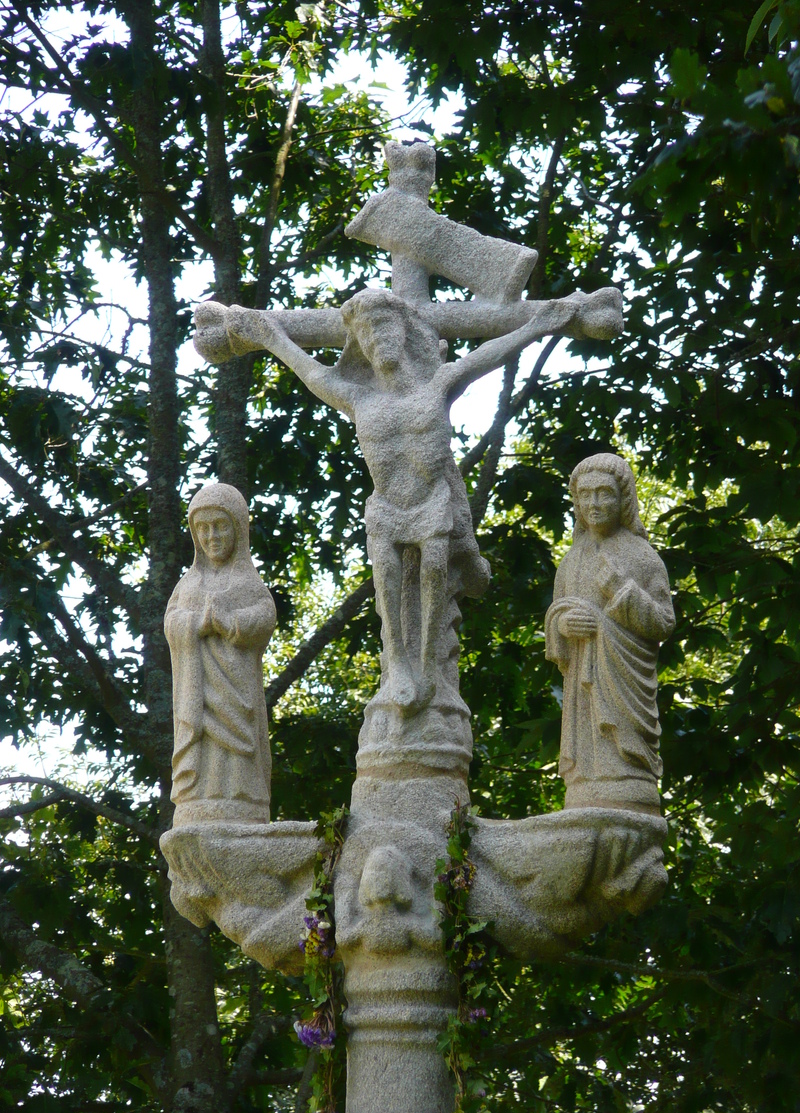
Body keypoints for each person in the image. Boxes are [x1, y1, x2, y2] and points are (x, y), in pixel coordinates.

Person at [202, 285, 620, 714]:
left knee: (435, 569)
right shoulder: (358, 397)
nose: (377, 338)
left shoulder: (437, 384)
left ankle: (426, 668)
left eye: (384, 326)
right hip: (387, 509)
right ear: (358, 344)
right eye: (366, 332)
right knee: (387, 579)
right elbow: (310, 372)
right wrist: (269, 336)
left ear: (404, 332)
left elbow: (488, 354)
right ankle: (399, 663)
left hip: (430, 503)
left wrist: (538, 324)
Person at [545, 454, 675, 814]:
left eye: (604, 494)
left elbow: (664, 621)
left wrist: (622, 591)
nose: (594, 504)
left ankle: (628, 776)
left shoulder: (642, 556)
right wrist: (562, 625)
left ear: (624, 499)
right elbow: (557, 614)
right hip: (581, 688)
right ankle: (585, 782)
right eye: (585, 496)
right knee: (586, 773)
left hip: (625, 685)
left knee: (624, 772)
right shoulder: (571, 561)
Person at [165, 482, 276, 823]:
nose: (212, 536)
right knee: (205, 749)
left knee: (236, 758)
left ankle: (242, 798)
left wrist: (230, 624)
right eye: (203, 528)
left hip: (236, 692)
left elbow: (264, 616)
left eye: (220, 526)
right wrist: (195, 625)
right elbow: (172, 620)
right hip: (197, 697)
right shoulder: (188, 584)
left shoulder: (248, 582)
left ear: (238, 529)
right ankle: (197, 796)